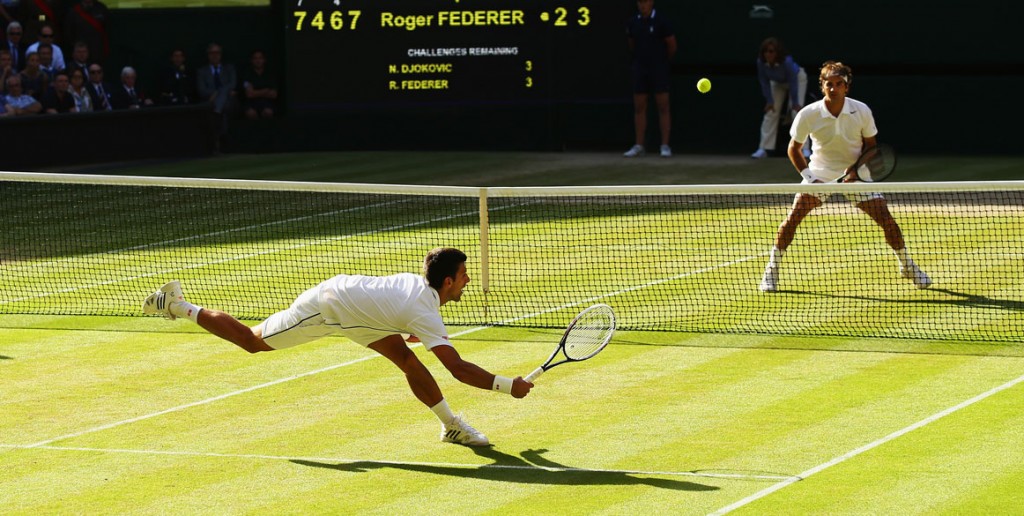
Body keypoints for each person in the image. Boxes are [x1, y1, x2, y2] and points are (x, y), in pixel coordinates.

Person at [142, 247, 534, 446]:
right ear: (446, 282)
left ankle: (451, 428)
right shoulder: (424, 310)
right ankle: (176, 304)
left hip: (356, 313)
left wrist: (403, 327)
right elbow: (459, 369)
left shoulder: (422, 294)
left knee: (407, 360)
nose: (467, 281)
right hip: (327, 308)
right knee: (252, 342)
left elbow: (394, 310)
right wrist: (506, 385)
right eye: (464, 275)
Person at [758, 61, 931, 293]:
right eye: (829, 84)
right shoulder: (808, 114)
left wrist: (856, 170)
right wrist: (810, 177)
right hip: (820, 172)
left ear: (846, 87)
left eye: (839, 84)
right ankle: (772, 270)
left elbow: (871, 147)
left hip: (857, 172)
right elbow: (794, 149)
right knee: (792, 219)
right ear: (823, 87)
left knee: (887, 221)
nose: (834, 88)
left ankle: (907, 265)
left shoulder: (862, 111)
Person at [623, 0, 676, 158]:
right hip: (640, 69)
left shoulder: (662, 21)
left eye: (645, 2)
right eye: (640, 2)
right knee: (639, 107)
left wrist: (660, 62)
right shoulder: (633, 23)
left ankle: (665, 146)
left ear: (651, 3)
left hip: (659, 69)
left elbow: (672, 46)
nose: (642, 6)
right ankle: (639, 145)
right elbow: (631, 44)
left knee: (663, 106)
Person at [751, 37, 809, 159]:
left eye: (771, 51)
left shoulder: (786, 62)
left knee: (796, 113)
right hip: (777, 83)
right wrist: (770, 101)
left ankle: (805, 149)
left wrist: (795, 102)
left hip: (797, 79)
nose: (768, 54)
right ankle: (764, 148)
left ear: (777, 53)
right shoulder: (761, 62)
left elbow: (793, 81)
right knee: (771, 112)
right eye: (765, 51)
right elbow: (764, 82)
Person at [64, 0, 109, 64]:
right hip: (80, 54)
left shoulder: (101, 8)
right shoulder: (73, 11)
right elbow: (68, 34)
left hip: (97, 53)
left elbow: (106, 31)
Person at [240, 49, 277, 119]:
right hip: (251, 103)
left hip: (266, 102)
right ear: (252, 60)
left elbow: (274, 94)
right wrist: (266, 90)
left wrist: (255, 92)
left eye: (260, 58)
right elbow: (249, 94)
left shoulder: (270, 74)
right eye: (255, 58)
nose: (258, 61)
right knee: (251, 113)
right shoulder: (247, 74)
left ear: (264, 60)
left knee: (268, 112)